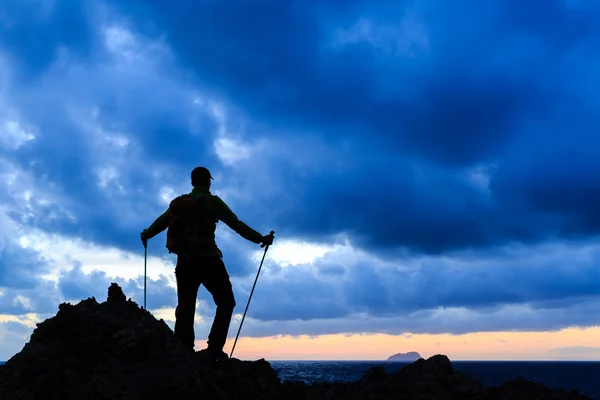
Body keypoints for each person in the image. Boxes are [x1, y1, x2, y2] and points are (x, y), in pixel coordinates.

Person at [140, 166, 274, 362]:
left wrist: (147, 234)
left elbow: (162, 221)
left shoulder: (178, 204)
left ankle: (184, 350)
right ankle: (214, 349)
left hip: (184, 262)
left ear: (192, 182)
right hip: (209, 260)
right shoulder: (213, 202)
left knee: (186, 306)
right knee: (226, 302)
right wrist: (260, 238)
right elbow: (236, 224)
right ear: (208, 181)